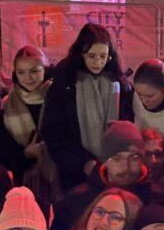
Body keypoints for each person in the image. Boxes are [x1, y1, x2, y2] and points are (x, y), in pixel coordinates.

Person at [39, 23, 134, 189]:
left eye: (103, 56)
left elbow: (128, 126)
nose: (98, 62)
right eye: (92, 56)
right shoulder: (64, 85)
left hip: (114, 171)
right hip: (74, 174)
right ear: (81, 55)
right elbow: (53, 132)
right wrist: (84, 162)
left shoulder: (120, 85)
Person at [49, 121, 154, 230]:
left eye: (134, 158)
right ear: (105, 161)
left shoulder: (156, 199)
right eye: (117, 159)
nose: (126, 167)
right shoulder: (75, 201)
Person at [0, 45, 60, 204]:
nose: (28, 77)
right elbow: (3, 147)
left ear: (45, 69)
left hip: (60, 175)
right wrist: (25, 152)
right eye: (21, 72)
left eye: (34, 71)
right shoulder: (6, 105)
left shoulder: (59, 97)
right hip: (26, 179)